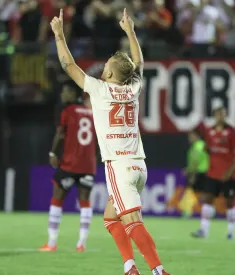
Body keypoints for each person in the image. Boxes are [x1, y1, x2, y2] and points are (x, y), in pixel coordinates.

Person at [49, 8, 171, 275]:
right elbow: (138, 65)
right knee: (109, 218)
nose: (103, 67)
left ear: (113, 74)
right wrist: (130, 32)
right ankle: (130, 267)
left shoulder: (99, 90)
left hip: (119, 166)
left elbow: (68, 66)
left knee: (132, 221)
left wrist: (59, 35)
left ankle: (159, 270)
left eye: (107, 66)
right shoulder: (132, 88)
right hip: (139, 166)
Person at [39, 81, 96, 253]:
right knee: (85, 202)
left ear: (72, 93)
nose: (63, 95)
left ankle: (51, 242)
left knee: (57, 199)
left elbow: (60, 134)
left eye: (65, 92)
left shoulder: (68, 111)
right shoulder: (92, 113)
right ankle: (81, 244)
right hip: (88, 166)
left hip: (70, 165)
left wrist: (53, 154)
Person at [192, 102, 235, 240]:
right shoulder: (209, 132)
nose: (220, 116)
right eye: (217, 114)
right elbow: (209, 149)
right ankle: (204, 230)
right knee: (207, 199)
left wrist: (230, 171)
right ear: (214, 116)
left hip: (228, 175)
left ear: (225, 115)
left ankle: (231, 231)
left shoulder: (233, 132)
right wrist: (206, 150)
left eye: (222, 114)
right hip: (213, 173)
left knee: (230, 202)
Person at [167, 129, 209, 215]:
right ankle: (208, 212)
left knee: (192, 191)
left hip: (199, 173)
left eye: (191, 136)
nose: (189, 138)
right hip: (205, 172)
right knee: (202, 193)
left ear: (197, 136)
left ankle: (187, 211)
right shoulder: (202, 145)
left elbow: (195, 162)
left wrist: (190, 171)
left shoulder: (197, 147)